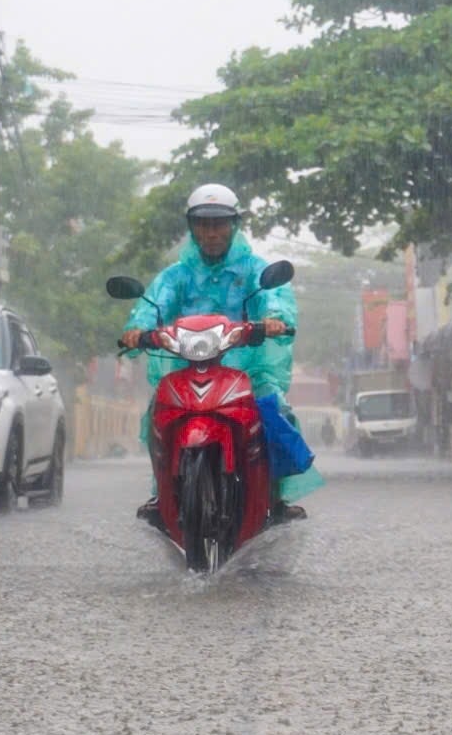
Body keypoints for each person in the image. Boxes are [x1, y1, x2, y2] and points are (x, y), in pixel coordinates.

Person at [121, 183, 322, 521]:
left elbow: (274, 298)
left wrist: (274, 319)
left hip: (247, 369)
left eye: (219, 224)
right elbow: (153, 304)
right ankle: (163, 495)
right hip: (188, 367)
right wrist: (137, 329)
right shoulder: (176, 276)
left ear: (234, 225)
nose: (211, 232)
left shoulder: (256, 270)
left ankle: (275, 496)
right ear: (191, 227)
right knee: (158, 413)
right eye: (203, 224)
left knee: (277, 411)